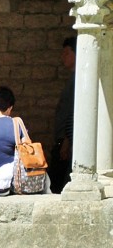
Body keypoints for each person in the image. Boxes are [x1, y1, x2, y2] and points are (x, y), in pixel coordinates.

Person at [50, 37, 75, 193]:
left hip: (67, 141)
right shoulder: (72, 79)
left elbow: (75, 111)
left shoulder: (79, 79)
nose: (62, 57)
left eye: (66, 53)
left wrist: (67, 139)